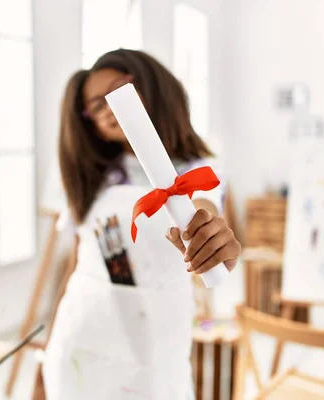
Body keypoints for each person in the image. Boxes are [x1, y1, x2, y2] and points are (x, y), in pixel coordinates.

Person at [42, 49, 241, 399]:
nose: (111, 108)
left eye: (120, 89)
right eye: (97, 105)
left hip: (152, 346)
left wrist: (209, 236)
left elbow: (203, 209)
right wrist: (46, 347)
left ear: (152, 85)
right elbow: (78, 262)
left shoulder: (196, 168)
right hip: (80, 337)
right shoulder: (91, 177)